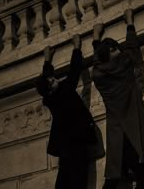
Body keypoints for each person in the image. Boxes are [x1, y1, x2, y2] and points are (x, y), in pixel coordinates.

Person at [92, 9, 144, 189]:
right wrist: (130, 23)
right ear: (112, 51)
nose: (119, 50)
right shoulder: (125, 66)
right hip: (135, 137)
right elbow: (133, 49)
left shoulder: (98, 75)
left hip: (118, 139)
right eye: (116, 48)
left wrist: (95, 37)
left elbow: (98, 61)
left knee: (114, 180)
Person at [36, 34, 104, 189]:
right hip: (76, 144)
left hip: (66, 147)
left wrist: (47, 60)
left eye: (52, 78)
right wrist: (76, 47)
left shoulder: (51, 98)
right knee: (78, 179)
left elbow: (45, 79)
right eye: (52, 82)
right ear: (50, 91)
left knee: (64, 179)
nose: (55, 80)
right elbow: (74, 72)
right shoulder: (64, 91)